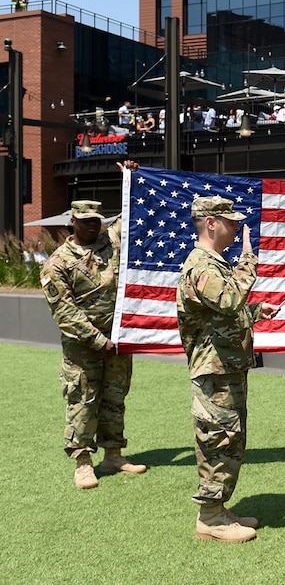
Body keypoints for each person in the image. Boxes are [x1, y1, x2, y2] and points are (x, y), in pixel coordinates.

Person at [176, 195, 281, 543]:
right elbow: (231, 299)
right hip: (215, 372)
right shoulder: (202, 266)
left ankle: (218, 509)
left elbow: (221, 315)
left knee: (229, 438)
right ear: (210, 223)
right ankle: (210, 517)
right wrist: (249, 258)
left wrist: (254, 313)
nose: (237, 227)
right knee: (218, 440)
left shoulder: (216, 264)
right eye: (230, 221)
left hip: (226, 367)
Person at [40, 166, 147, 490]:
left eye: (96, 221)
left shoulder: (108, 241)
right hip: (84, 345)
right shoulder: (57, 263)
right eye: (85, 221)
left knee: (115, 397)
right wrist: (99, 340)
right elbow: (65, 312)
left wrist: (130, 179)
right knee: (83, 399)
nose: (92, 225)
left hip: (117, 340)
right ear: (72, 221)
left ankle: (113, 454)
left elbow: (129, 217)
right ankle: (83, 462)